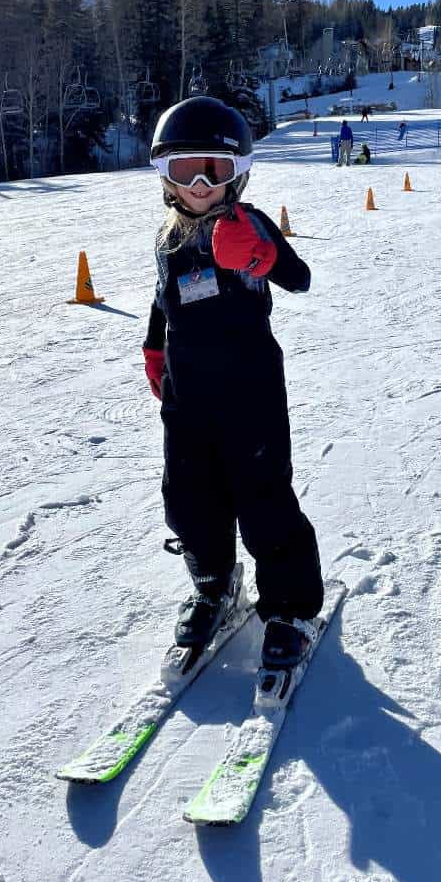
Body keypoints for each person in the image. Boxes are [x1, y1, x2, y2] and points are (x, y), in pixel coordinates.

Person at [143, 96, 324, 670]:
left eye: (214, 170)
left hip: (250, 393)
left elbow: (300, 278)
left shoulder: (251, 225)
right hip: (187, 395)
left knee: (264, 500)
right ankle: (213, 582)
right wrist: (154, 346)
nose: (200, 183)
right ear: (166, 177)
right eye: (185, 169)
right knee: (189, 499)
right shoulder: (168, 238)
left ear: (237, 175)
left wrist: (265, 255)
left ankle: (290, 606)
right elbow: (162, 298)